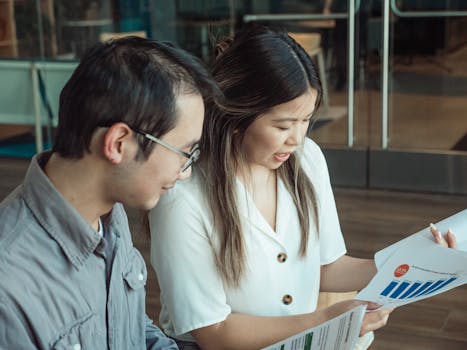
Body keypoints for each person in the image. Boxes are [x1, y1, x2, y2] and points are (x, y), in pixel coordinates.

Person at [149, 25, 457, 350]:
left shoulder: (307, 160)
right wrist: (328, 320)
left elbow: (327, 267)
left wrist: (410, 264)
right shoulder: (183, 196)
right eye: (282, 125)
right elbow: (214, 333)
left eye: (306, 120)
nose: (296, 139)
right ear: (236, 114)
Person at [0, 36, 219, 349]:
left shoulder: (109, 216)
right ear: (119, 143)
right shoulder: (9, 287)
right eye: (184, 152)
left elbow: (129, 329)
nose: (185, 171)